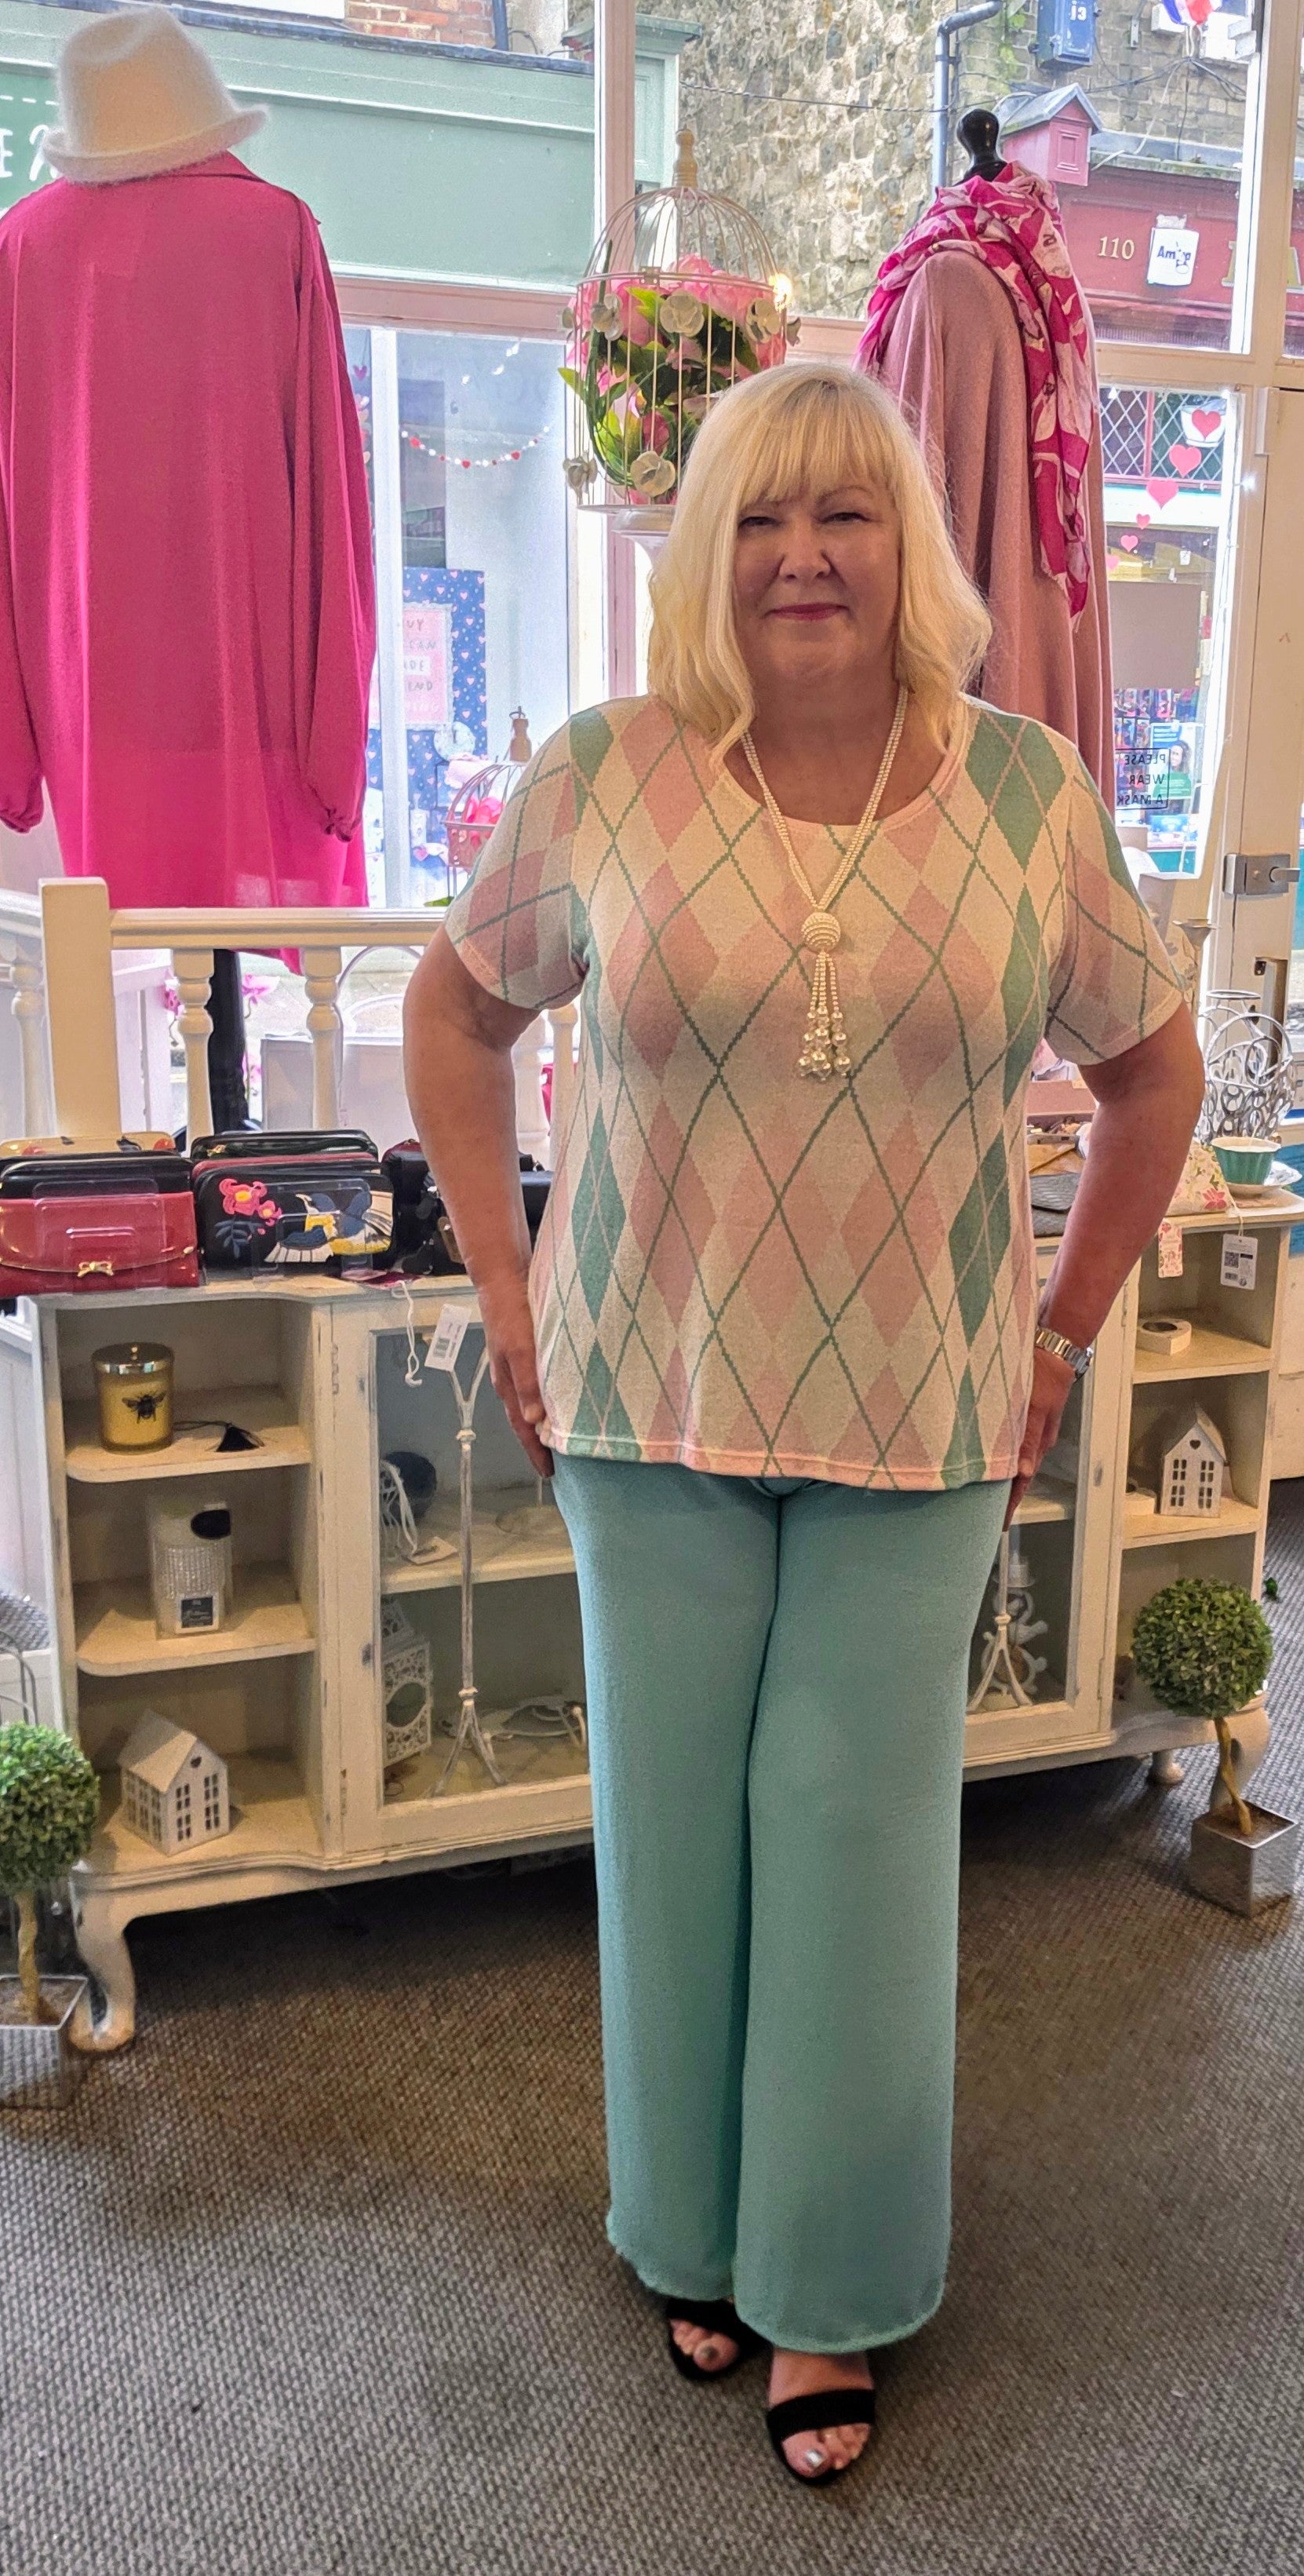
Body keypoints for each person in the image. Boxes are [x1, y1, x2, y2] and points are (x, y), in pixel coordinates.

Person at [402, 361, 1202, 2489]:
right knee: (675, 1824)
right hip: (645, 1390)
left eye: (846, 513)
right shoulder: (603, 776)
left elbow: (1154, 1073)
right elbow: (453, 1016)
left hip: (923, 1409)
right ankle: (686, 2227)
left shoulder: (1027, 793)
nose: (803, 556)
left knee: (853, 1831)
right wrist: (505, 1281)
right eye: (757, 517)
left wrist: (1062, 1330)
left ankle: (826, 2284)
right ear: (704, 550)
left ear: (908, 546)